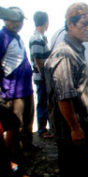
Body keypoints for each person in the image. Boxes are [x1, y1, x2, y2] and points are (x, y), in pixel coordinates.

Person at [44, 3, 88, 176]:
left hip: (78, 121)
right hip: (69, 125)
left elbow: (76, 83)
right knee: (72, 167)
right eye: (84, 24)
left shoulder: (77, 48)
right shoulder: (65, 54)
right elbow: (64, 97)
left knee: (81, 163)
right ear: (70, 24)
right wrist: (75, 128)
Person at [0, 6, 36, 151]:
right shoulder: (3, 37)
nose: (18, 24)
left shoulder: (17, 37)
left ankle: (27, 146)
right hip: (13, 93)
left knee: (28, 120)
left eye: (20, 21)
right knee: (16, 124)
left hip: (26, 88)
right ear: (5, 20)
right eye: (14, 20)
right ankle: (15, 153)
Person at [29, 11, 53, 139]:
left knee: (46, 102)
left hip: (44, 76)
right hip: (41, 77)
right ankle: (42, 130)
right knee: (42, 103)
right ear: (46, 22)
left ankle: (46, 128)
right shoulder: (37, 38)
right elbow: (37, 60)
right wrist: (44, 75)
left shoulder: (41, 37)